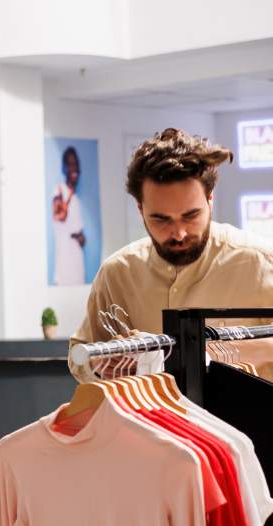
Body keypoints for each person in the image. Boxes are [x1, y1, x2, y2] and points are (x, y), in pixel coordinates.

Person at [70, 128, 273, 376]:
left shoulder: (262, 263)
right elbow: (82, 352)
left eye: (191, 216)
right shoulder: (117, 273)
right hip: (148, 414)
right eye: (161, 219)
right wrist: (98, 365)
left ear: (210, 200)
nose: (178, 233)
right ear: (140, 208)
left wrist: (213, 353)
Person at [51, 146, 87, 286]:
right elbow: (60, 216)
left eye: (76, 164)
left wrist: (80, 237)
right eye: (70, 164)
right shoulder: (58, 190)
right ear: (64, 167)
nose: (74, 168)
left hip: (77, 260)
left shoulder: (76, 199)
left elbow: (82, 237)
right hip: (64, 260)